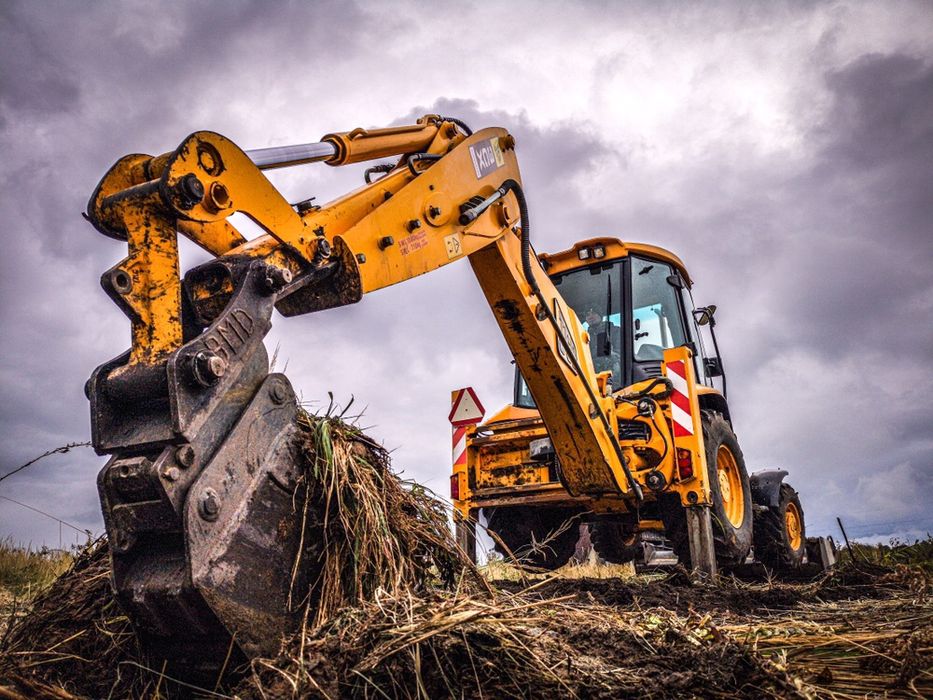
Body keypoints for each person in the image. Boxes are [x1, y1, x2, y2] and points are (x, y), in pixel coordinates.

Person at [584, 309, 621, 379]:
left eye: (594, 313)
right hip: (590, 369)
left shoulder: (615, 331)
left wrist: (612, 353)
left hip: (613, 369)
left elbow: (622, 352)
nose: (590, 316)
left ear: (600, 315)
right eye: (587, 315)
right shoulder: (584, 336)